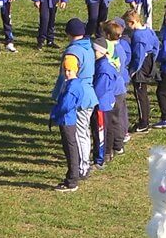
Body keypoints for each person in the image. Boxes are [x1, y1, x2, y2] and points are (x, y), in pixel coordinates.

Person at [52, 18, 96, 178]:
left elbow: (70, 77)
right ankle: (85, 164)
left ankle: (82, 167)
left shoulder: (72, 53)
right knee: (84, 132)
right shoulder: (88, 47)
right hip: (89, 95)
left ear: (68, 33)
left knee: (78, 134)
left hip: (78, 98)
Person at [49, 54, 83, 192]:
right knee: (69, 149)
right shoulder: (73, 84)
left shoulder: (72, 87)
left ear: (76, 70)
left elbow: (65, 106)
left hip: (67, 120)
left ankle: (72, 181)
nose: (68, 73)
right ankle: (71, 177)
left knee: (70, 150)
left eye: (70, 70)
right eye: (66, 70)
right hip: (68, 119)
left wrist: (54, 114)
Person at [126, 9, 160, 133]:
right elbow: (156, 45)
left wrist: (133, 71)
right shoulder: (148, 30)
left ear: (133, 22)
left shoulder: (137, 36)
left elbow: (138, 56)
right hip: (149, 60)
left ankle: (143, 123)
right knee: (143, 93)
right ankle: (145, 119)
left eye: (128, 24)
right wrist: (153, 58)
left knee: (140, 94)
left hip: (140, 66)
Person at [101, 20, 129, 157]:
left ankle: (114, 146)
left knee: (112, 120)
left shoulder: (111, 50)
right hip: (120, 86)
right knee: (117, 118)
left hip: (114, 89)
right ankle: (118, 144)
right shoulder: (121, 47)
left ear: (107, 35)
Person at [91, 37, 119, 167]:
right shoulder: (102, 63)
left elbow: (99, 89)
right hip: (105, 102)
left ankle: (99, 159)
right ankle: (105, 153)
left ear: (101, 52)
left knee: (100, 131)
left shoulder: (103, 68)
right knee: (103, 129)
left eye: (94, 50)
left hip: (101, 104)